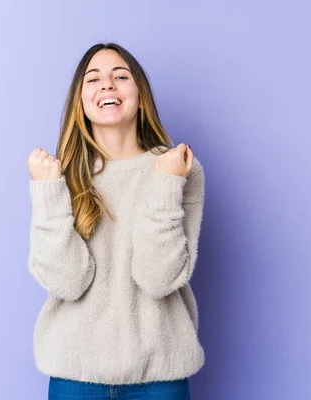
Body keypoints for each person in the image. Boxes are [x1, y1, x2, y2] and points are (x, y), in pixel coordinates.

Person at [26, 42, 205, 400]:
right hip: (74, 378)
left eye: (120, 76)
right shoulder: (60, 175)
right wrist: (47, 192)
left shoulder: (179, 168)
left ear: (141, 96)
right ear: (81, 101)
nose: (107, 84)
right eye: (93, 79)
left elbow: (158, 278)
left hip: (159, 378)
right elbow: (68, 282)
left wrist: (168, 183)